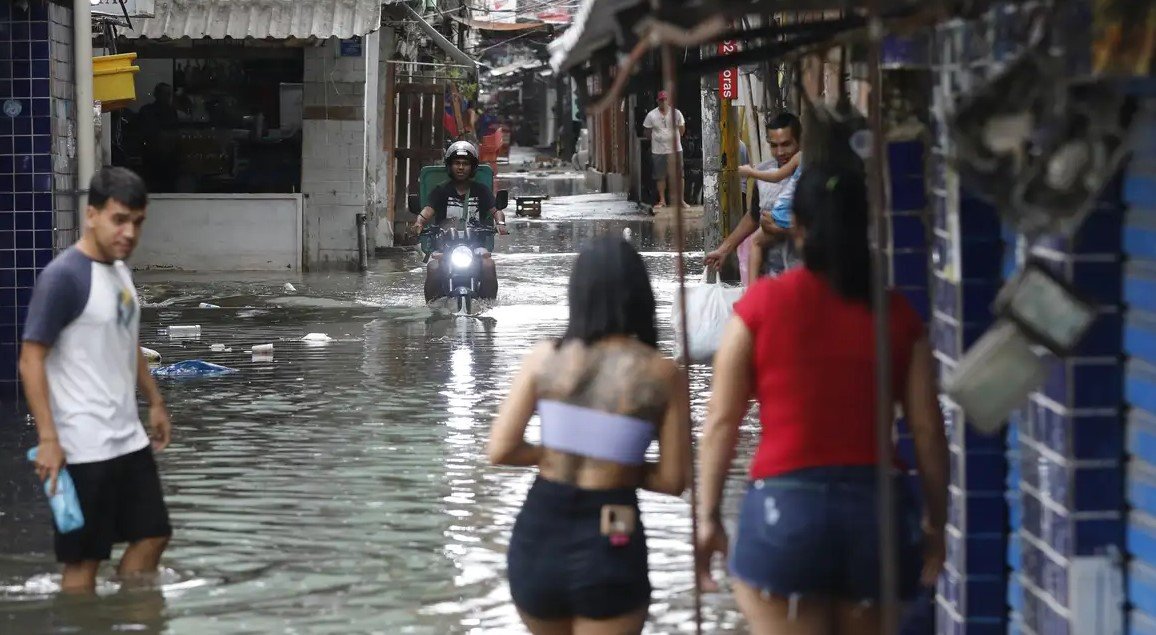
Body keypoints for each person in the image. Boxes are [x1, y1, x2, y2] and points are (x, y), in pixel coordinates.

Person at [694, 165, 948, 634]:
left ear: (800, 227)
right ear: (866, 225)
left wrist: (708, 517)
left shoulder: (759, 308)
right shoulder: (895, 313)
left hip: (783, 519)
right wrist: (936, 520)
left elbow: (721, 423)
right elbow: (928, 430)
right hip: (878, 516)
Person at [489, 236, 690, 635]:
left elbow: (500, 450)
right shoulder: (663, 373)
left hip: (539, 536)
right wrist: (615, 460)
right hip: (610, 534)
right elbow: (671, 481)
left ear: (577, 292)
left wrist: (556, 450)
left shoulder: (545, 358)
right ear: (640, 294)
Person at [19, 167, 174, 593]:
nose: (129, 232)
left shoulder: (120, 270)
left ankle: (128, 613)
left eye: (137, 222)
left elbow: (128, 341)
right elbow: (31, 360)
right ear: (92, 215)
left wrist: (155, 401)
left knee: (154, 534)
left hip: (128, 438)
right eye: (119, 219)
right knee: (84, 563)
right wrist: (49, 438)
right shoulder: (63, 278)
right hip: (82, 446)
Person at [704, 113, 803, 280]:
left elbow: (824, 224)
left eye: (786, 144)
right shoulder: (763, 172)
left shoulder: (814, 174)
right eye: (774, 146)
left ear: (799, 141)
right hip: (769, 277)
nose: (780, 152)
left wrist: (780, 229)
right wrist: (724, 250)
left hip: (803, 277)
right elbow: (753, 216)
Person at [411, 141, 508, 303]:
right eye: (457, 163)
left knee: (489, 265)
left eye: (465, 164)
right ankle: (432, 309)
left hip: (475, 245)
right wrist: (419, 223)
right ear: (450, 166)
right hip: (446, 246)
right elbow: (428, 210)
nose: (461, 167)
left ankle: (489, 305)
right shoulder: (441, 190)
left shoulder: (481, 190)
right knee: (433, 268)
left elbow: (496, 211)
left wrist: (501, 224)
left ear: (472, 167)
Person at [642, 91, 688, 209]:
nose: (663, 102)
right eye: (661, 100)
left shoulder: (676, 113)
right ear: (658, 101)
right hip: (658, 150)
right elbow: (647, 132)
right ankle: (662, 200)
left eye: (665, 99)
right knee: (660, 176)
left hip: (676, 149)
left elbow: (682, 130)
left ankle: (680, 200)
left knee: (679, 175)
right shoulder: (651, 115)